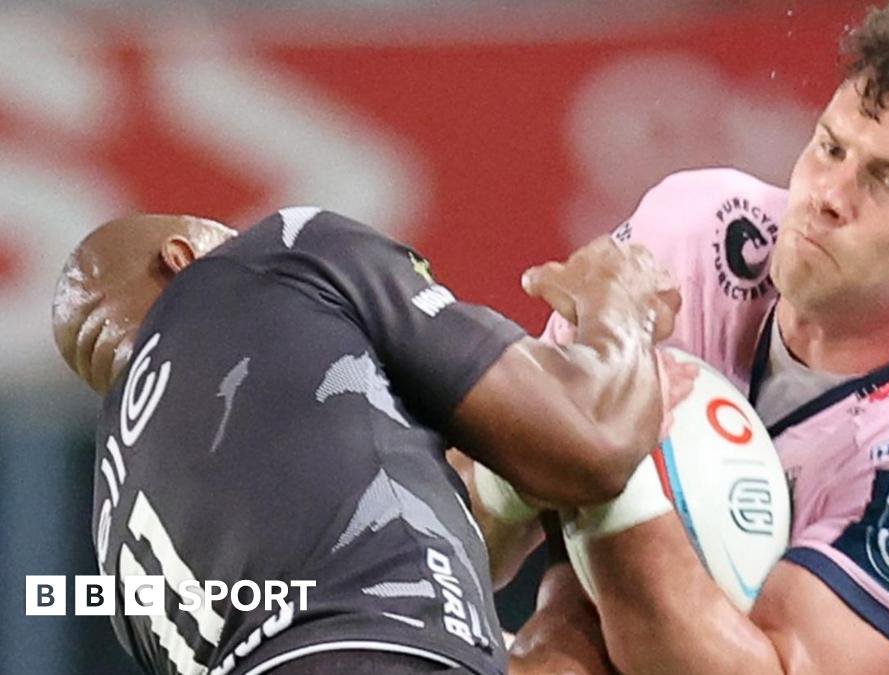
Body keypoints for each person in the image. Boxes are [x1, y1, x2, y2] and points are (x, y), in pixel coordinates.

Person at [497, 2, 889, 673]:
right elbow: (468, 519)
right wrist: (525, 437)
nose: (828, 195)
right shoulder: (693, 236)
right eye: (830, 148)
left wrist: (619, 453)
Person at [50, 207, 687, 674]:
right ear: (182, 257)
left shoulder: (114, 536)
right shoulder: (268, 258)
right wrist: (619, 303)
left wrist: (558, 612)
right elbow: (591, 442)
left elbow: (348, 592)